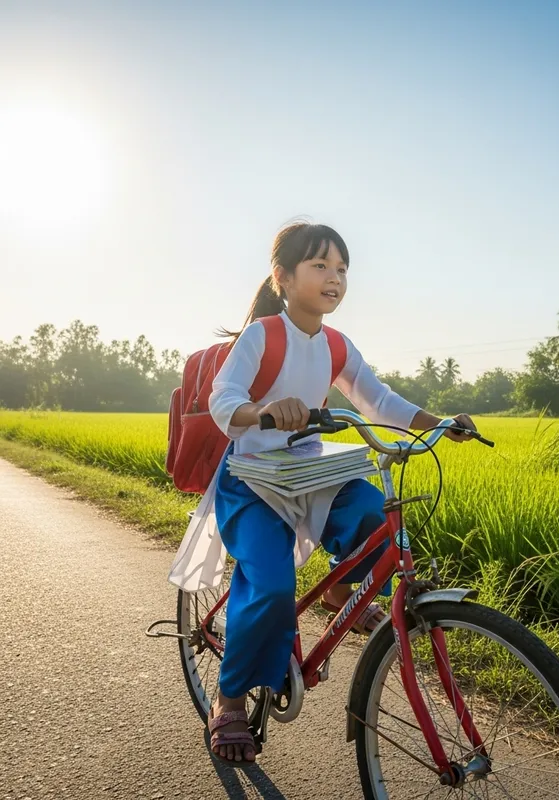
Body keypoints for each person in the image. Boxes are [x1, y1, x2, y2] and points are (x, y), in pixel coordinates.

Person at [202, 221, 476, 763]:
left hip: (307, 472)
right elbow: (222, 398)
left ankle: (336, 591)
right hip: (253, 479)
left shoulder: (335, 344)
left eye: (343, 269)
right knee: (272, 584)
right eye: (321, 266)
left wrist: (437, 421)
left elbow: (378, 400)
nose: (335, 278)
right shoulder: (263, 335)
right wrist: (262, 411)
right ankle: (230, 700)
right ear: (283, 277)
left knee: (374, 514)